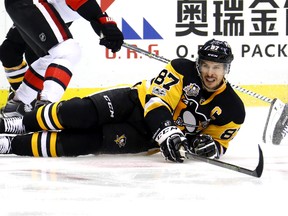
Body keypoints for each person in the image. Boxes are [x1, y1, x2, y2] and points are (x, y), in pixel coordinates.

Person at [0, 39, 246, 162]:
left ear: (227, 69)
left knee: (82, 142)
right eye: (206, 65)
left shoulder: (233, 109)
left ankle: (11, 146)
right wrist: (168, 131)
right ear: (198, 64)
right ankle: (17, 125)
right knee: (77, 112)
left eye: (217, 67)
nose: (210, 73)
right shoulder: (182, 69)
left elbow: (219, 140)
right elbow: (156, 103)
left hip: (144, 136)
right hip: (132, 102)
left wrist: (212, 148)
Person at [1, 0, 124, 117]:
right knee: (68, 51)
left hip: (33, 5)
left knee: (51, 55)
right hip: (30, 3)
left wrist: (104, 25)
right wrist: (103, 21)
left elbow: (87, 8)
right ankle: (43, 111)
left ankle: (17, 107)